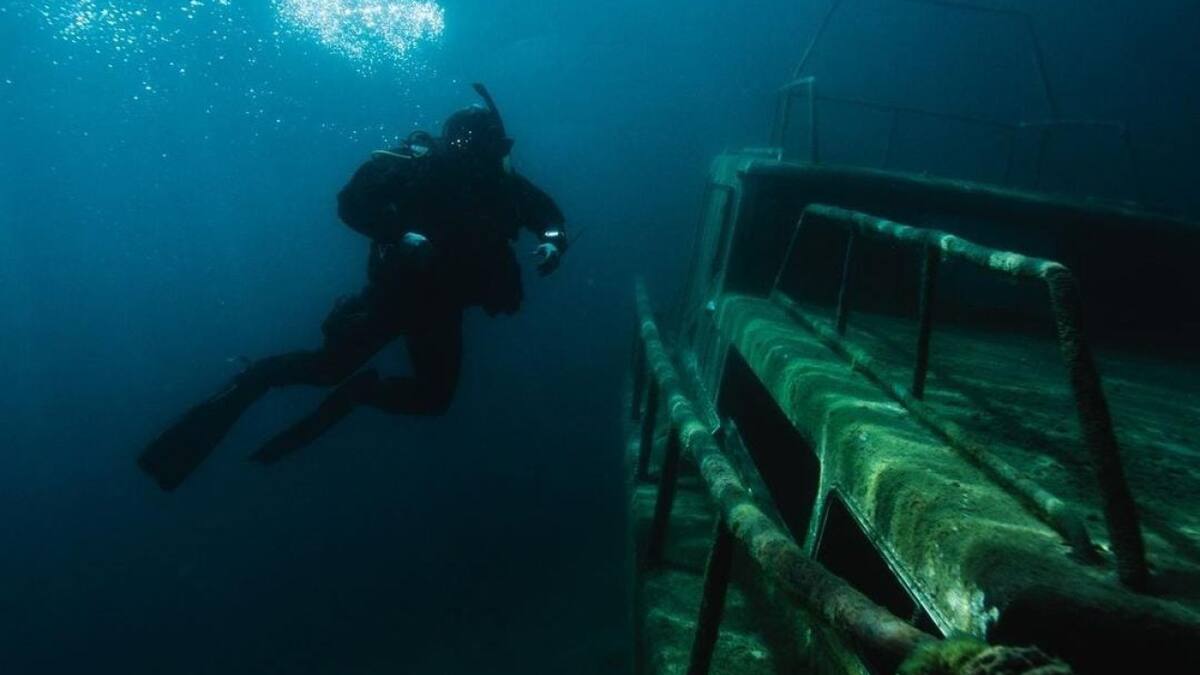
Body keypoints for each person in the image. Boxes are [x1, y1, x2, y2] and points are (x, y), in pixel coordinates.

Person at [138, 84, 569, 491]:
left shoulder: (501, 183)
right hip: (395, 297)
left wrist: (552, 244)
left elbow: (548, 217)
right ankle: (254, 379)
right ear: (457, 139)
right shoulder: (414, 167)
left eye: (492, 144)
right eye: (477, 142)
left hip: (441, 310)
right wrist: (397, 235)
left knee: (434, 398)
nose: (484, 153)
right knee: (326, 369)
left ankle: (361, 393)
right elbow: (350, 203)